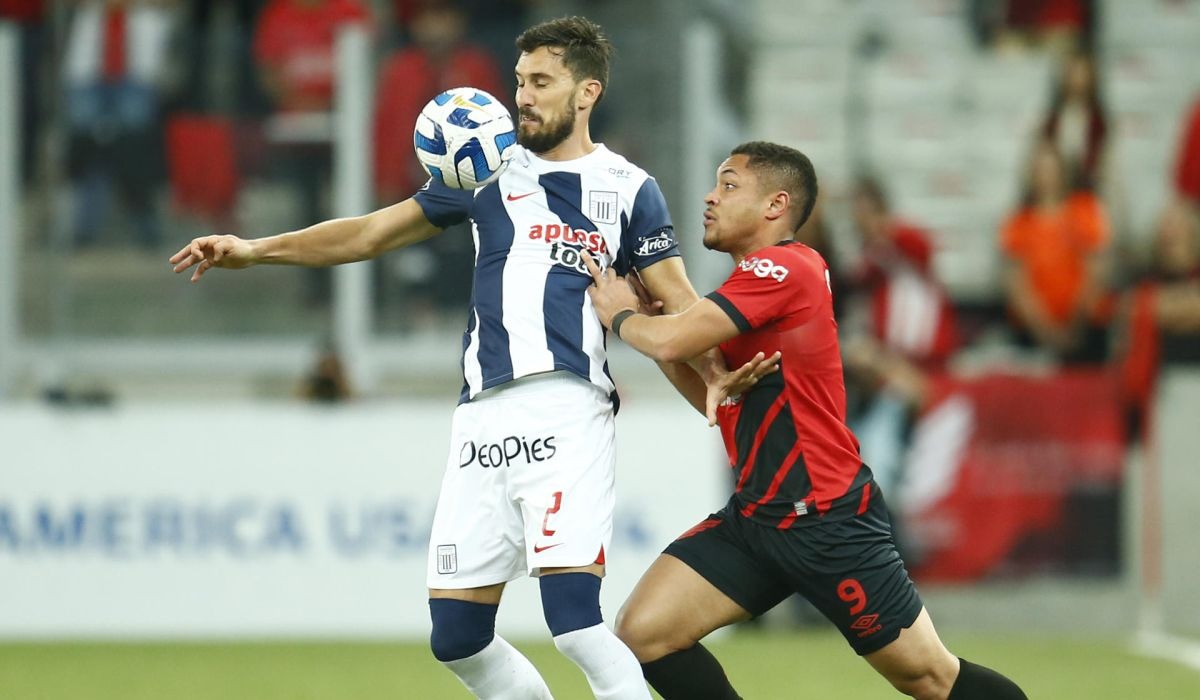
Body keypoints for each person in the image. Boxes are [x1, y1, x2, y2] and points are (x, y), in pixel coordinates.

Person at [170, 16, 764, 700]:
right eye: (519, 82)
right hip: (480, 418)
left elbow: (680, 303)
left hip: (566, 408)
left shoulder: (628, 188)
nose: (524, 96)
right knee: (457, 636)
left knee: (574, 625)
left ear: (586, 92)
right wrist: (254, 248)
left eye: (541, 81)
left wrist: (721, 373)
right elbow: (367, 233)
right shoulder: (485, 169)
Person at [582, 141, 1028, 699]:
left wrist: (621, 314)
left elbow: (673, 336)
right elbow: (711, 396)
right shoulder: (746, 288)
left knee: (931, 678)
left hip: (826, 522)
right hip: (757, 520)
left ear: (776, 205)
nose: (710, 197)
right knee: (646, 631)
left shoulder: (785, 267)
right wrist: (657, 329)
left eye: (728, 185)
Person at [1000, 139, 1111, 363]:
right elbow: (1017, 285)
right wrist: (1047, 331)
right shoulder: (1018, 222)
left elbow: (1095, 274)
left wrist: (1075, 324)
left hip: (1085, 328)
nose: (1046, 177)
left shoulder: (1084, 210)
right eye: (1040, 170)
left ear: (1063, 172)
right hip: (1033, 333)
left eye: (1051, 169)